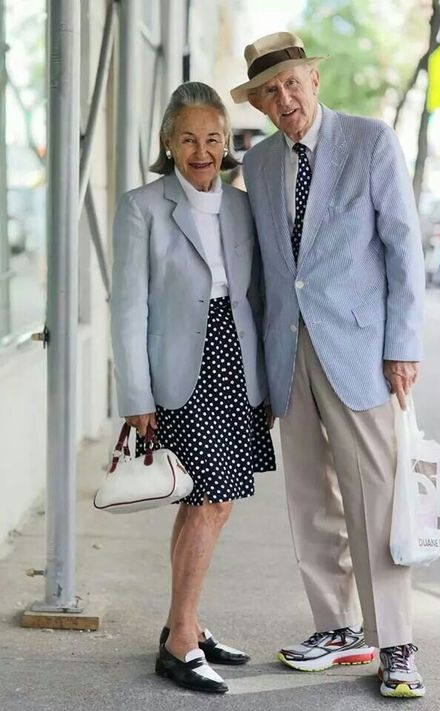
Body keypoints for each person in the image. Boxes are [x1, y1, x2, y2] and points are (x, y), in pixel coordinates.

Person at [231, 32, 426, 698]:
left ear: (314, 77)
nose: (283, 99)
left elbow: (404, 248)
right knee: (311, 497)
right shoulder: (257, 166)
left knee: (375, 496)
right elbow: (261, 272)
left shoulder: (369, 142)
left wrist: (404, 344)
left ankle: (395, 641)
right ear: (258, 102)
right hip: (289, 353)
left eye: (291, 83)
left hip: (361, 350)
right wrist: (258, 365)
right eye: (268, 91)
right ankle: (338, 627)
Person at [110, 81, 276, 695]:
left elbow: (254, 295)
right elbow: (128, 308)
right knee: (205, 502)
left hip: (236, 365)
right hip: (183, 372)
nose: (202, 151)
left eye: (213, 138)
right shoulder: (141, 206)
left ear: (225, 143)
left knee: (210, 501)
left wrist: (265, 382)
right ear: (168, 142)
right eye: (189, 139)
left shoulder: (238, 205)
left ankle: (186, 623)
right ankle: (180, 641)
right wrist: (136, 396)